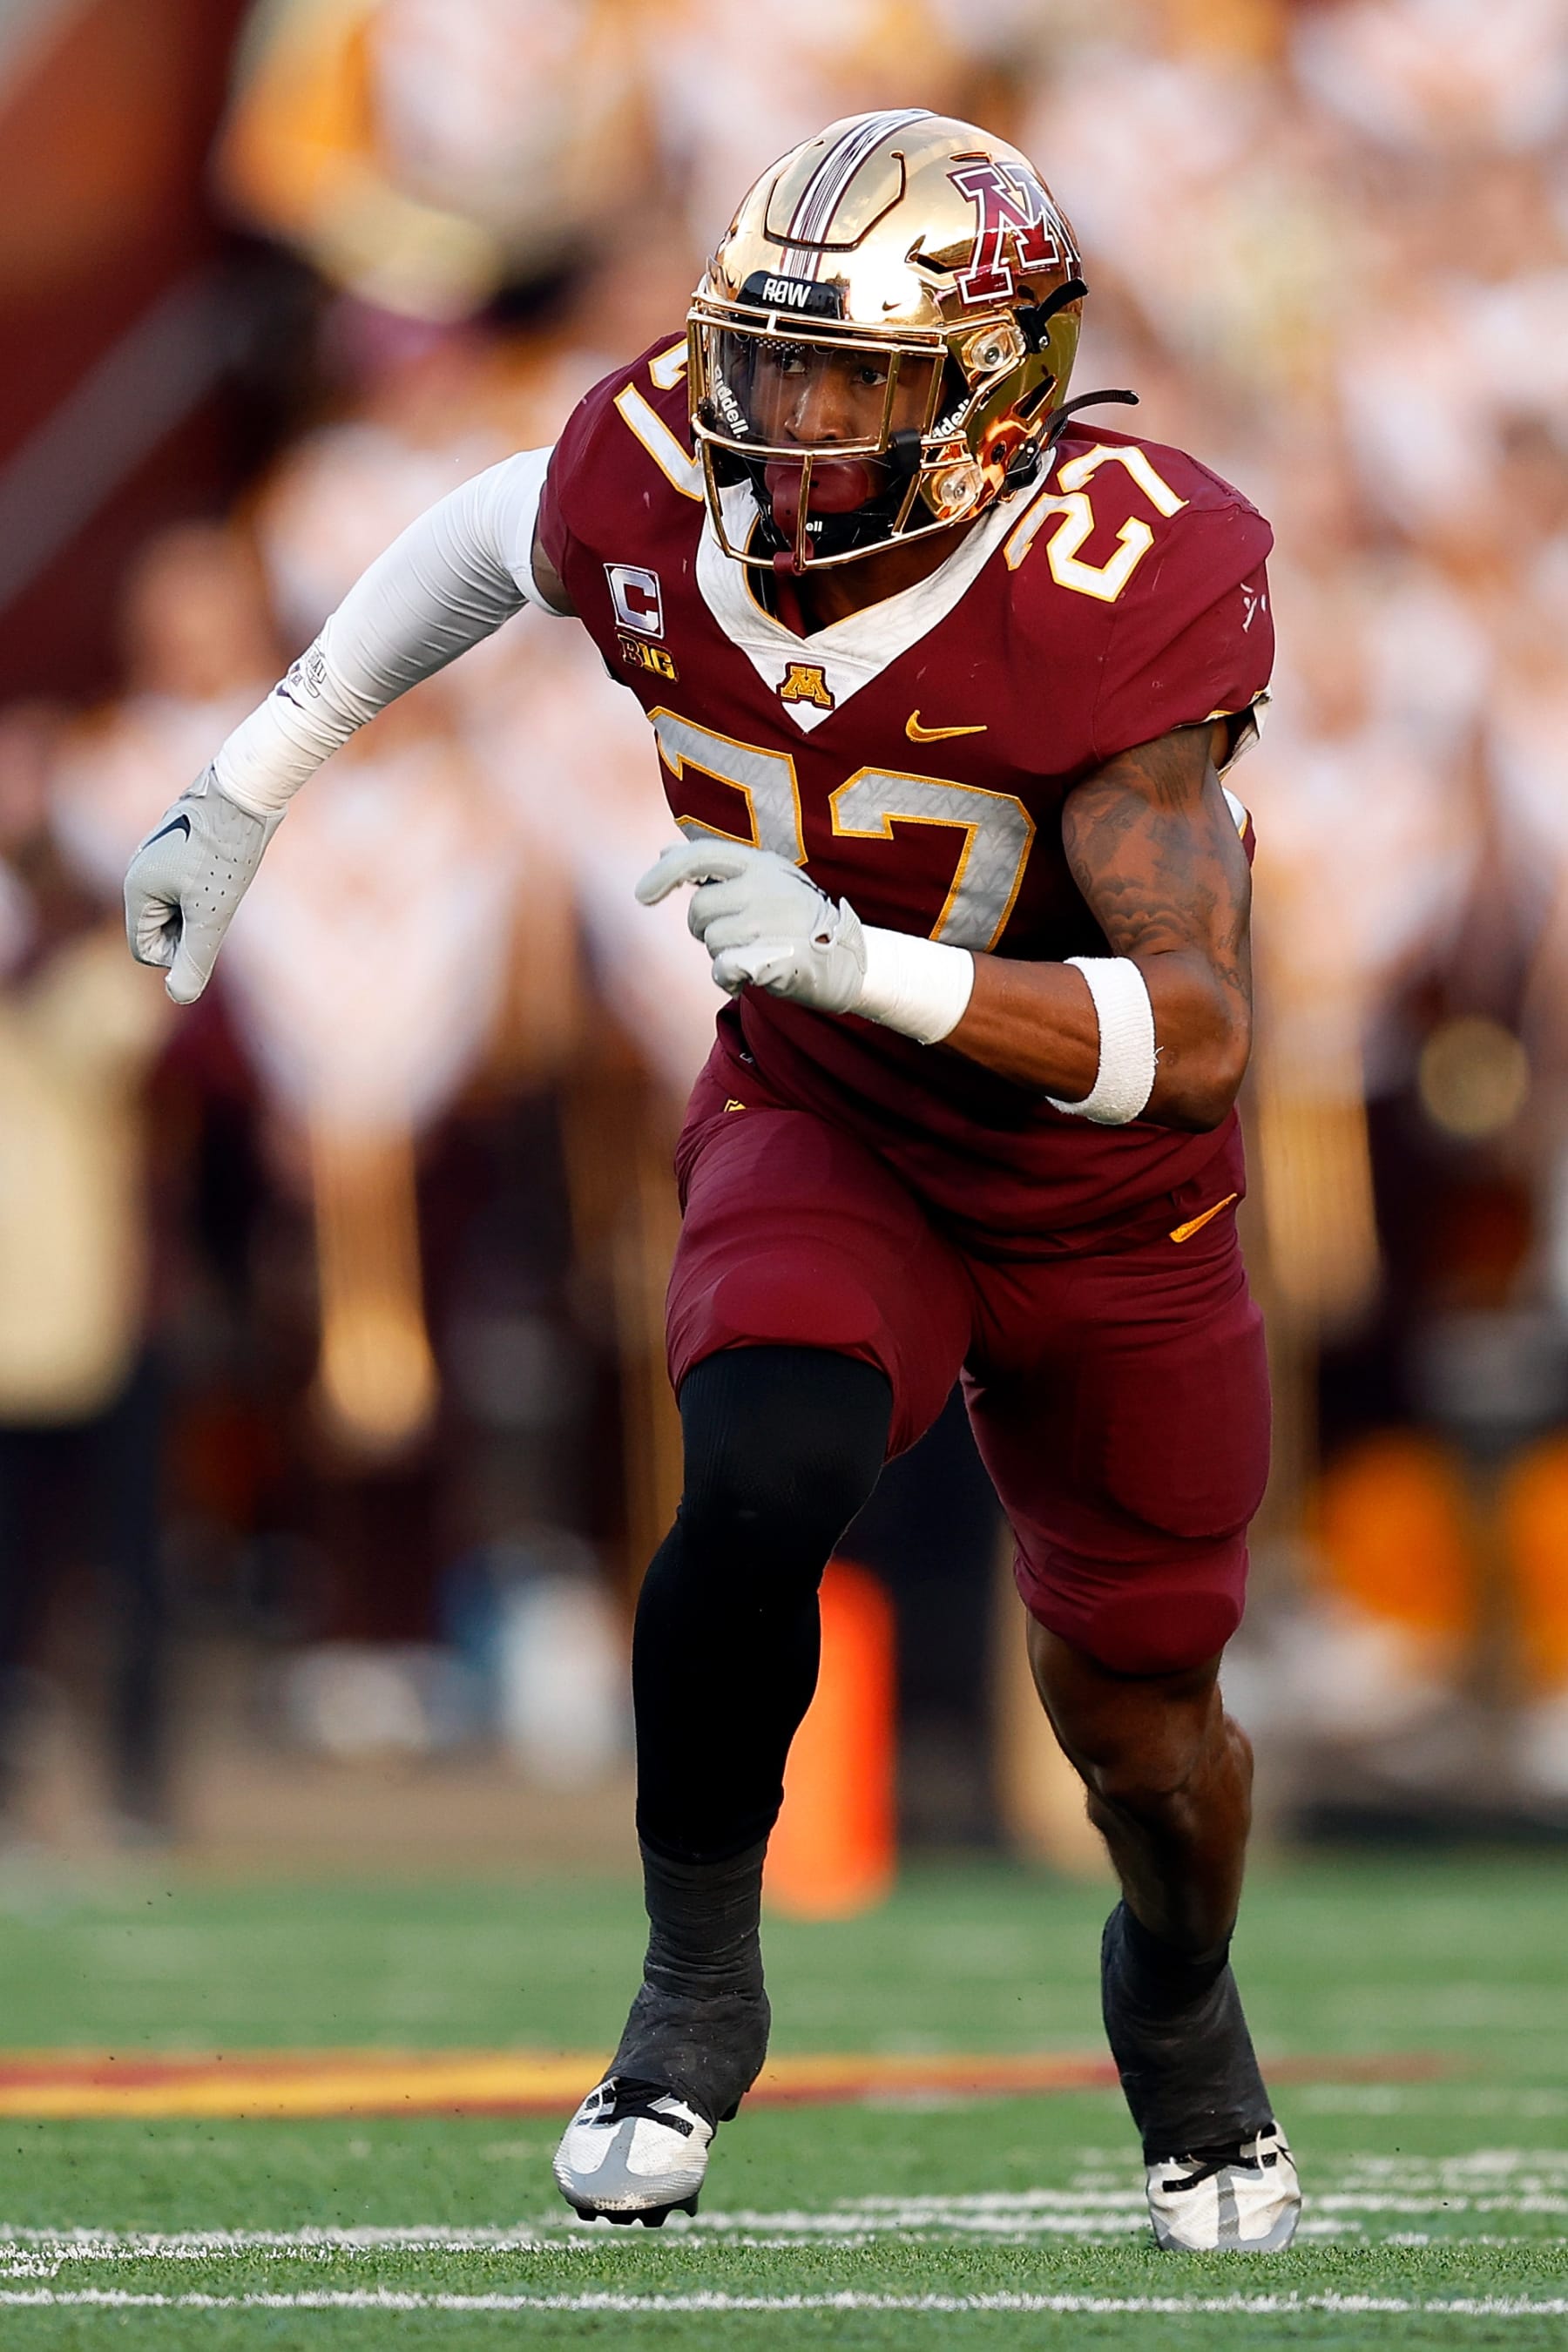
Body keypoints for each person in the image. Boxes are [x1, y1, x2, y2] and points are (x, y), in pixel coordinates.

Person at [124, 111, 1296, 2253]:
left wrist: (870, 958)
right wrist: (249, 779)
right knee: (755, 1468)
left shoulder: (1117, 581)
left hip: (1114, 1201)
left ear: (1000, 390)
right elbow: (494, 529)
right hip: (828, 1121)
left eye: (856, 379)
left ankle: (1185, 2006)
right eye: (770, 365)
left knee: (1144, 1720)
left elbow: (1199, 1038)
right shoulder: (669, 459)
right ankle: (690, 1992)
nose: (793, 424)